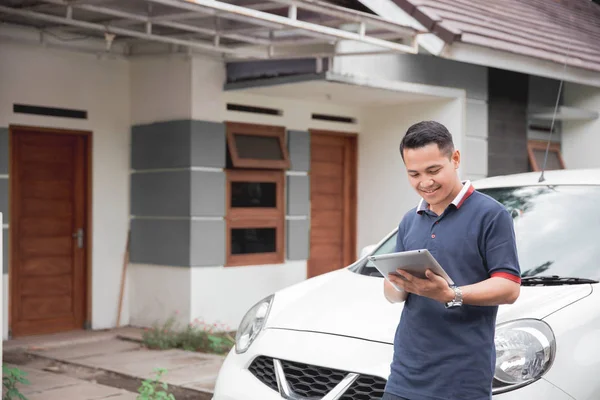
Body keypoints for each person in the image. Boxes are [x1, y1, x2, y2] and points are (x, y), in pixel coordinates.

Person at [382, 121, 521, 400]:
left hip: (462, 380)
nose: (425, 182)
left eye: (433, 170)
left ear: (455, 159)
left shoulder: (491, 215)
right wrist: (399, 283)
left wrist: (450, 294)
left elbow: (509, 287)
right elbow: (393, 295)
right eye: (414, 174)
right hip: (404, 375)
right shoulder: (410, 220)